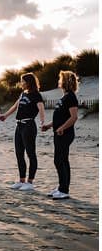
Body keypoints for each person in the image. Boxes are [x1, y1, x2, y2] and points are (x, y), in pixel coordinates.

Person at [0, 73, 46, 191]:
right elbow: (15, 106)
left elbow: (41, 108)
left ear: (28, 82)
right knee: (19, 153)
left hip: (29, 125)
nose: (21, 83)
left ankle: (30, 182)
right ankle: (21, 180)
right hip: (19, 125)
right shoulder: (23, 94)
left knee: (31, 154)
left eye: (22, 81)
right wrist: (5, 115)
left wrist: (42, 122)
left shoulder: (36, 95)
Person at [42, 71, 79, 199]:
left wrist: (62, 128)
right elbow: (60, 117)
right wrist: (49, 125)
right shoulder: (65, 97)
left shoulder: (71, 97)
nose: (59, 81)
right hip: (59, 132)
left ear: (66, 81)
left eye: (61, 79)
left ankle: (64, 190)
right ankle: (61, 187)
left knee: (60, 160)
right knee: (61, 160)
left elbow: (74, 117)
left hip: (65, 133)